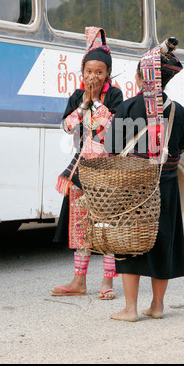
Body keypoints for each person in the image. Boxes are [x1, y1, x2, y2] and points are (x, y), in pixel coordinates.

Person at [104, 37, 184, 321]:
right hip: (166, 188)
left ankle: (130, 309)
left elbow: (112, 149)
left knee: (129, 242)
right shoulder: (179, 111)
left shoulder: (127, 108)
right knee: (162, 240)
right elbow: (181, 148)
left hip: (132, 190)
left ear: (141, 76)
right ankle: (157, 306)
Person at [51, 27, 123, 299]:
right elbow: (68, 127)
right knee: (81, 227)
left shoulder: (115, 97)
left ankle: (107, 283)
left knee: (104, 227)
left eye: (99, 72)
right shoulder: (75, 97)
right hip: (80, 172)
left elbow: (112, 127)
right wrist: (83, 105)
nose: (93, 76)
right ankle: (78, 282)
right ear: (82, 72)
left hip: (106, 173)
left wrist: (95, 101)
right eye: (88, 71)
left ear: (108, 74)